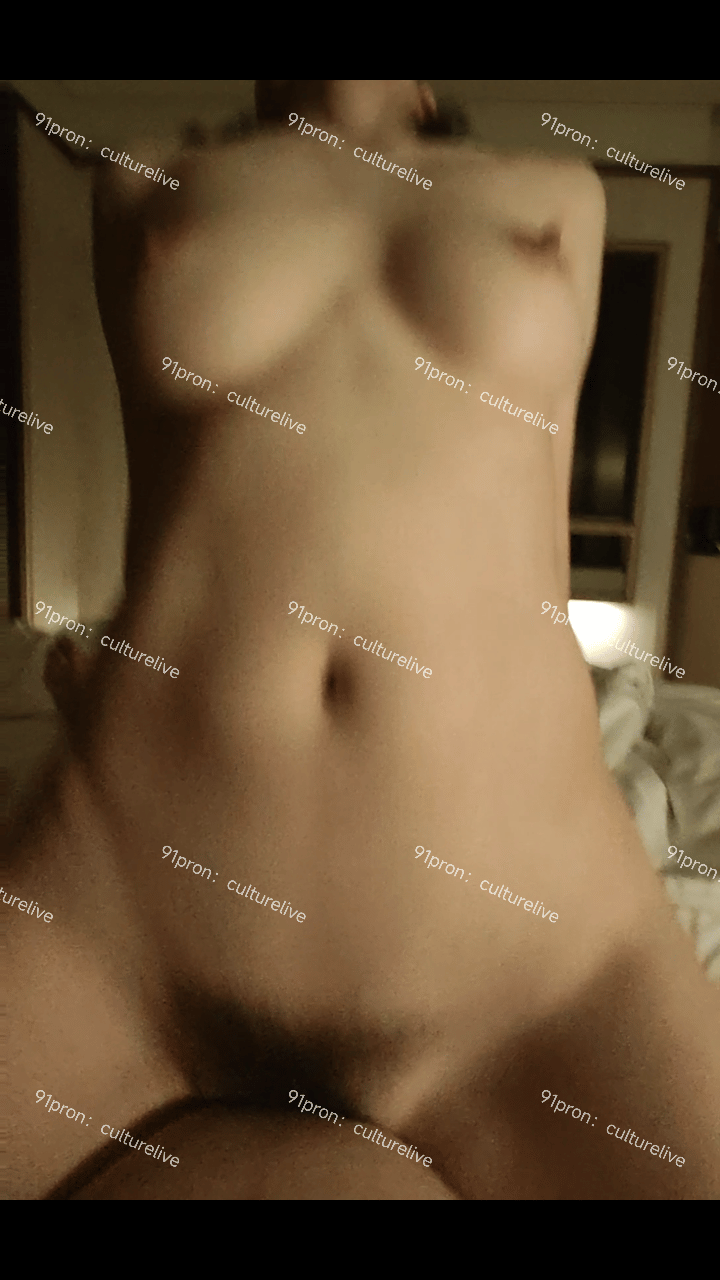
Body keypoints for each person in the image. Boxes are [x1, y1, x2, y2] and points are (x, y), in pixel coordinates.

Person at [8, 80, 720, 1200]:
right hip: (123, 926)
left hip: (533, 957)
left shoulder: (555, 195)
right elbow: (174, 511)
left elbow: (530, 536)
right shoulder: (145, 182)